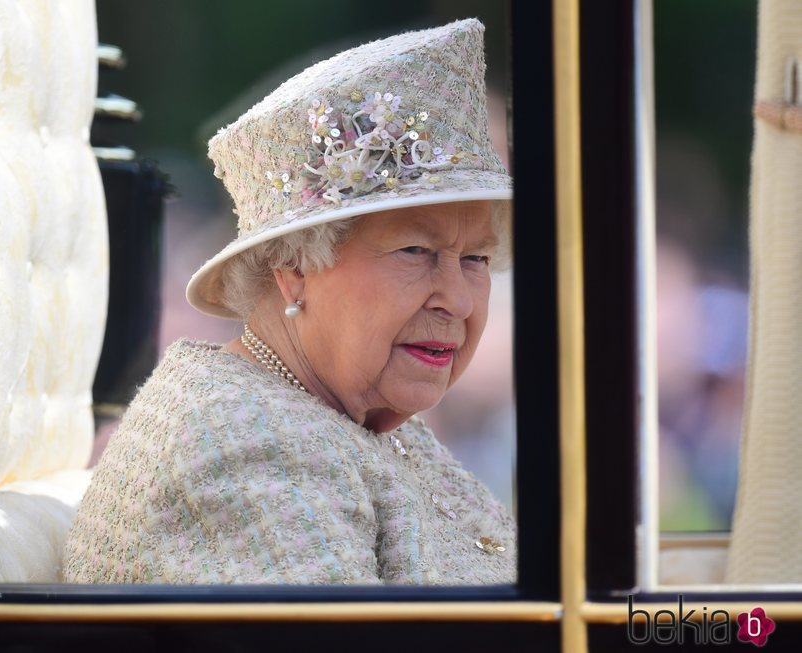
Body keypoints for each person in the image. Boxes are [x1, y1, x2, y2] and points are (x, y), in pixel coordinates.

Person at [62, 18, 516, 585]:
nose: (458, 300)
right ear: (295, 269)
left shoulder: (351, 417)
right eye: (415, 250)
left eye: (475, 259)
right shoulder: (244, 440)